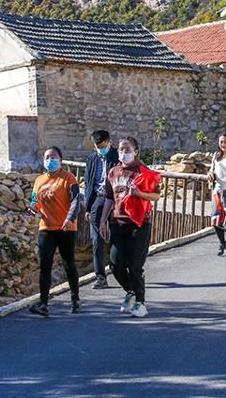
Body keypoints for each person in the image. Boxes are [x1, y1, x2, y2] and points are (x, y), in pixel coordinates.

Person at [98, 137, 160, 318]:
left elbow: (156, 196)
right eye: (121, 150)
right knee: (116, 264)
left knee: (135, 265)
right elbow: (109, 198)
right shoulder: (113, 172)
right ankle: (130, 291)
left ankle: (140, 302)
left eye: (127, 150)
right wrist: (102, 221)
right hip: (118, 222)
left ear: (136, 151)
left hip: (139, 223)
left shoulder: (143, 171)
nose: (123, 153)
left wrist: (140, 193)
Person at [27, 146, 82, 316]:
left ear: (60, 159)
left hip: (66, 228)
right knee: (45, 266)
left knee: (68, 263)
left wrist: (69, 218)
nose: (50, 160)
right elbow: (35, 201)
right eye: (47, 157)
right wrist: (33, 208)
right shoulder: (39, 181)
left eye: (53, 156)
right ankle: (43, 303)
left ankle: (75, 300)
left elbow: (75, 201)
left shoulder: (68, 178)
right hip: (46, 228)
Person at [84, 130, 119, 289]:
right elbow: (88, 182)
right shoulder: (92, 159)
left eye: (103, 146)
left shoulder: (118, 157)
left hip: (117, 201)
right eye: (98, 147)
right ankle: (100, 277)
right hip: (98, 200)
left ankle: (120, 270)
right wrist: (88, 206)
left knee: (117, 238)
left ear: (109, 142)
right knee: (96, 240)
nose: (100, 149)